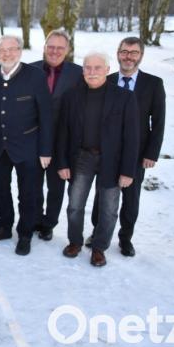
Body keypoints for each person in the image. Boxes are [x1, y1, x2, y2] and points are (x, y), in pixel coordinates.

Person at [58, 52, 139, 267]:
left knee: (109, 210)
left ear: (107, 70)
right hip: (81, 158)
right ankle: (75, 242)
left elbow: (132, 137)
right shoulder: (71, 96)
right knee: (75, 206)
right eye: (88, 67)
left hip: (112, 161)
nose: (92, 72)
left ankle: (99, 248)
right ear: (83, 70)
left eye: (97, 67)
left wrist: (128, 171)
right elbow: (63, 132)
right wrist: (62, 163)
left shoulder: (124, 97)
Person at [88, 37, 166, 257]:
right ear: (118, 53)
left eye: (133, 52)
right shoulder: (107, 80)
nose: (128, 57)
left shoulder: (153, 84)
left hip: (137, 154)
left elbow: (158, 122)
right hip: (106, 153)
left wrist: (151, 153)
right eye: (124, 52)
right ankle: (97, 232)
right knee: (101, 196)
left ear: (141, 55)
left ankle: (125, 238)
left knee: (131, 200)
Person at [0, 35, 52, 255]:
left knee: (28, 194)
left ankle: (25, 234)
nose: (7, 54)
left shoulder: (36, 76)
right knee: (0, 190)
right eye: (2, 50)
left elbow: (46, 115)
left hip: (28, 146)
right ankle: (4, 227)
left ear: (20, 51)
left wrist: (46, 150)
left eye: (11, 49)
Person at [30, 29, 83, 241]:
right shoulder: (30, 69)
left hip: (62, 142)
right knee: (33, 185)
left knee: (56, 187)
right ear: (44, 47)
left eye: (60, 48)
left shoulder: (78, 74)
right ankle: (34, 218)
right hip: (33, 139)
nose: (54, 51)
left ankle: (49, 223)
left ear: (67, 50)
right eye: (51, 47)